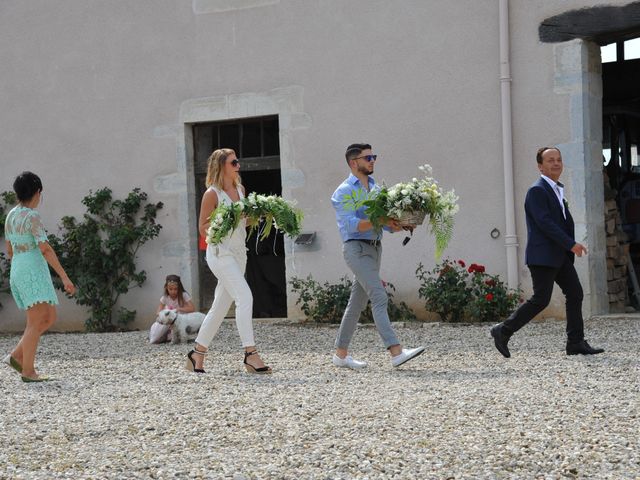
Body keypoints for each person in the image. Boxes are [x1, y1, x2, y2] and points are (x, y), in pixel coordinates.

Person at [491, 147, 605, 357]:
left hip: (559, 255)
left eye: (559, 159)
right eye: (550, 160)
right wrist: (570, 243)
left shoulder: (555, 189)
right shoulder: (537, 190)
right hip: (543, 256)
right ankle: (503, 330)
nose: (556, 163)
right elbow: (545, 223)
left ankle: (575, 342)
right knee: (541, 299)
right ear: (540, 166)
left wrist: (567, 245)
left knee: (575, 293)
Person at [330, 143, 426, 369]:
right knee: (379, 296)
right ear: (354, 163)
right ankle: (396, 352)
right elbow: (350, 225)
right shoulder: (343, 191)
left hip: (374, 249)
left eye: (374, 156)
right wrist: (381, 221)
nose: (372, 160)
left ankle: (340, 355)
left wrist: (400, 224)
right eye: (367, 157)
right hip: (356, 250)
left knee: (356, 305)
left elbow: (384, 223)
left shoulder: (374, 188)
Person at [185, 148, 271, 374]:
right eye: (233, 162)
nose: (238, 165)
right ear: (221, 166)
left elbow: (245, 223)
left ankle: (197, 354)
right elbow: (203, 228)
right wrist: (223, 222)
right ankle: (250, 354)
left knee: (220, 307)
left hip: (239, 254)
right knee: (245, 296)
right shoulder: (212, 194)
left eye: (237, 161)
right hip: (220, 254)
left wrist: (257, 216)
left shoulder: (241, 190)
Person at [2, 172, 75, 382]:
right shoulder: (32, 216)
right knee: (35, 322)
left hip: (20, 266)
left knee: (49, 317)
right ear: (38, 192)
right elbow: (45, 249)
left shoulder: (11, 215)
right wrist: (65, 277)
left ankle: (16, 356)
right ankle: (28, 371)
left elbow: (10, 249)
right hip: (32, 269)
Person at [149, 274, 195, 344]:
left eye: (175, 289)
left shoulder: (183, 295)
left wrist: (179, 309)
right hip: (168, 319)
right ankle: (162, 336)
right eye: (170, 289)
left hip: (180, 318)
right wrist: (165, 313)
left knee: (179, 330)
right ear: (166, 288)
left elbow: (192, 308)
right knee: (157, 332)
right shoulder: (165, 297)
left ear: (179, 288)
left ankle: (173, 336)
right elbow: (158, 311)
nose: (173, 291)